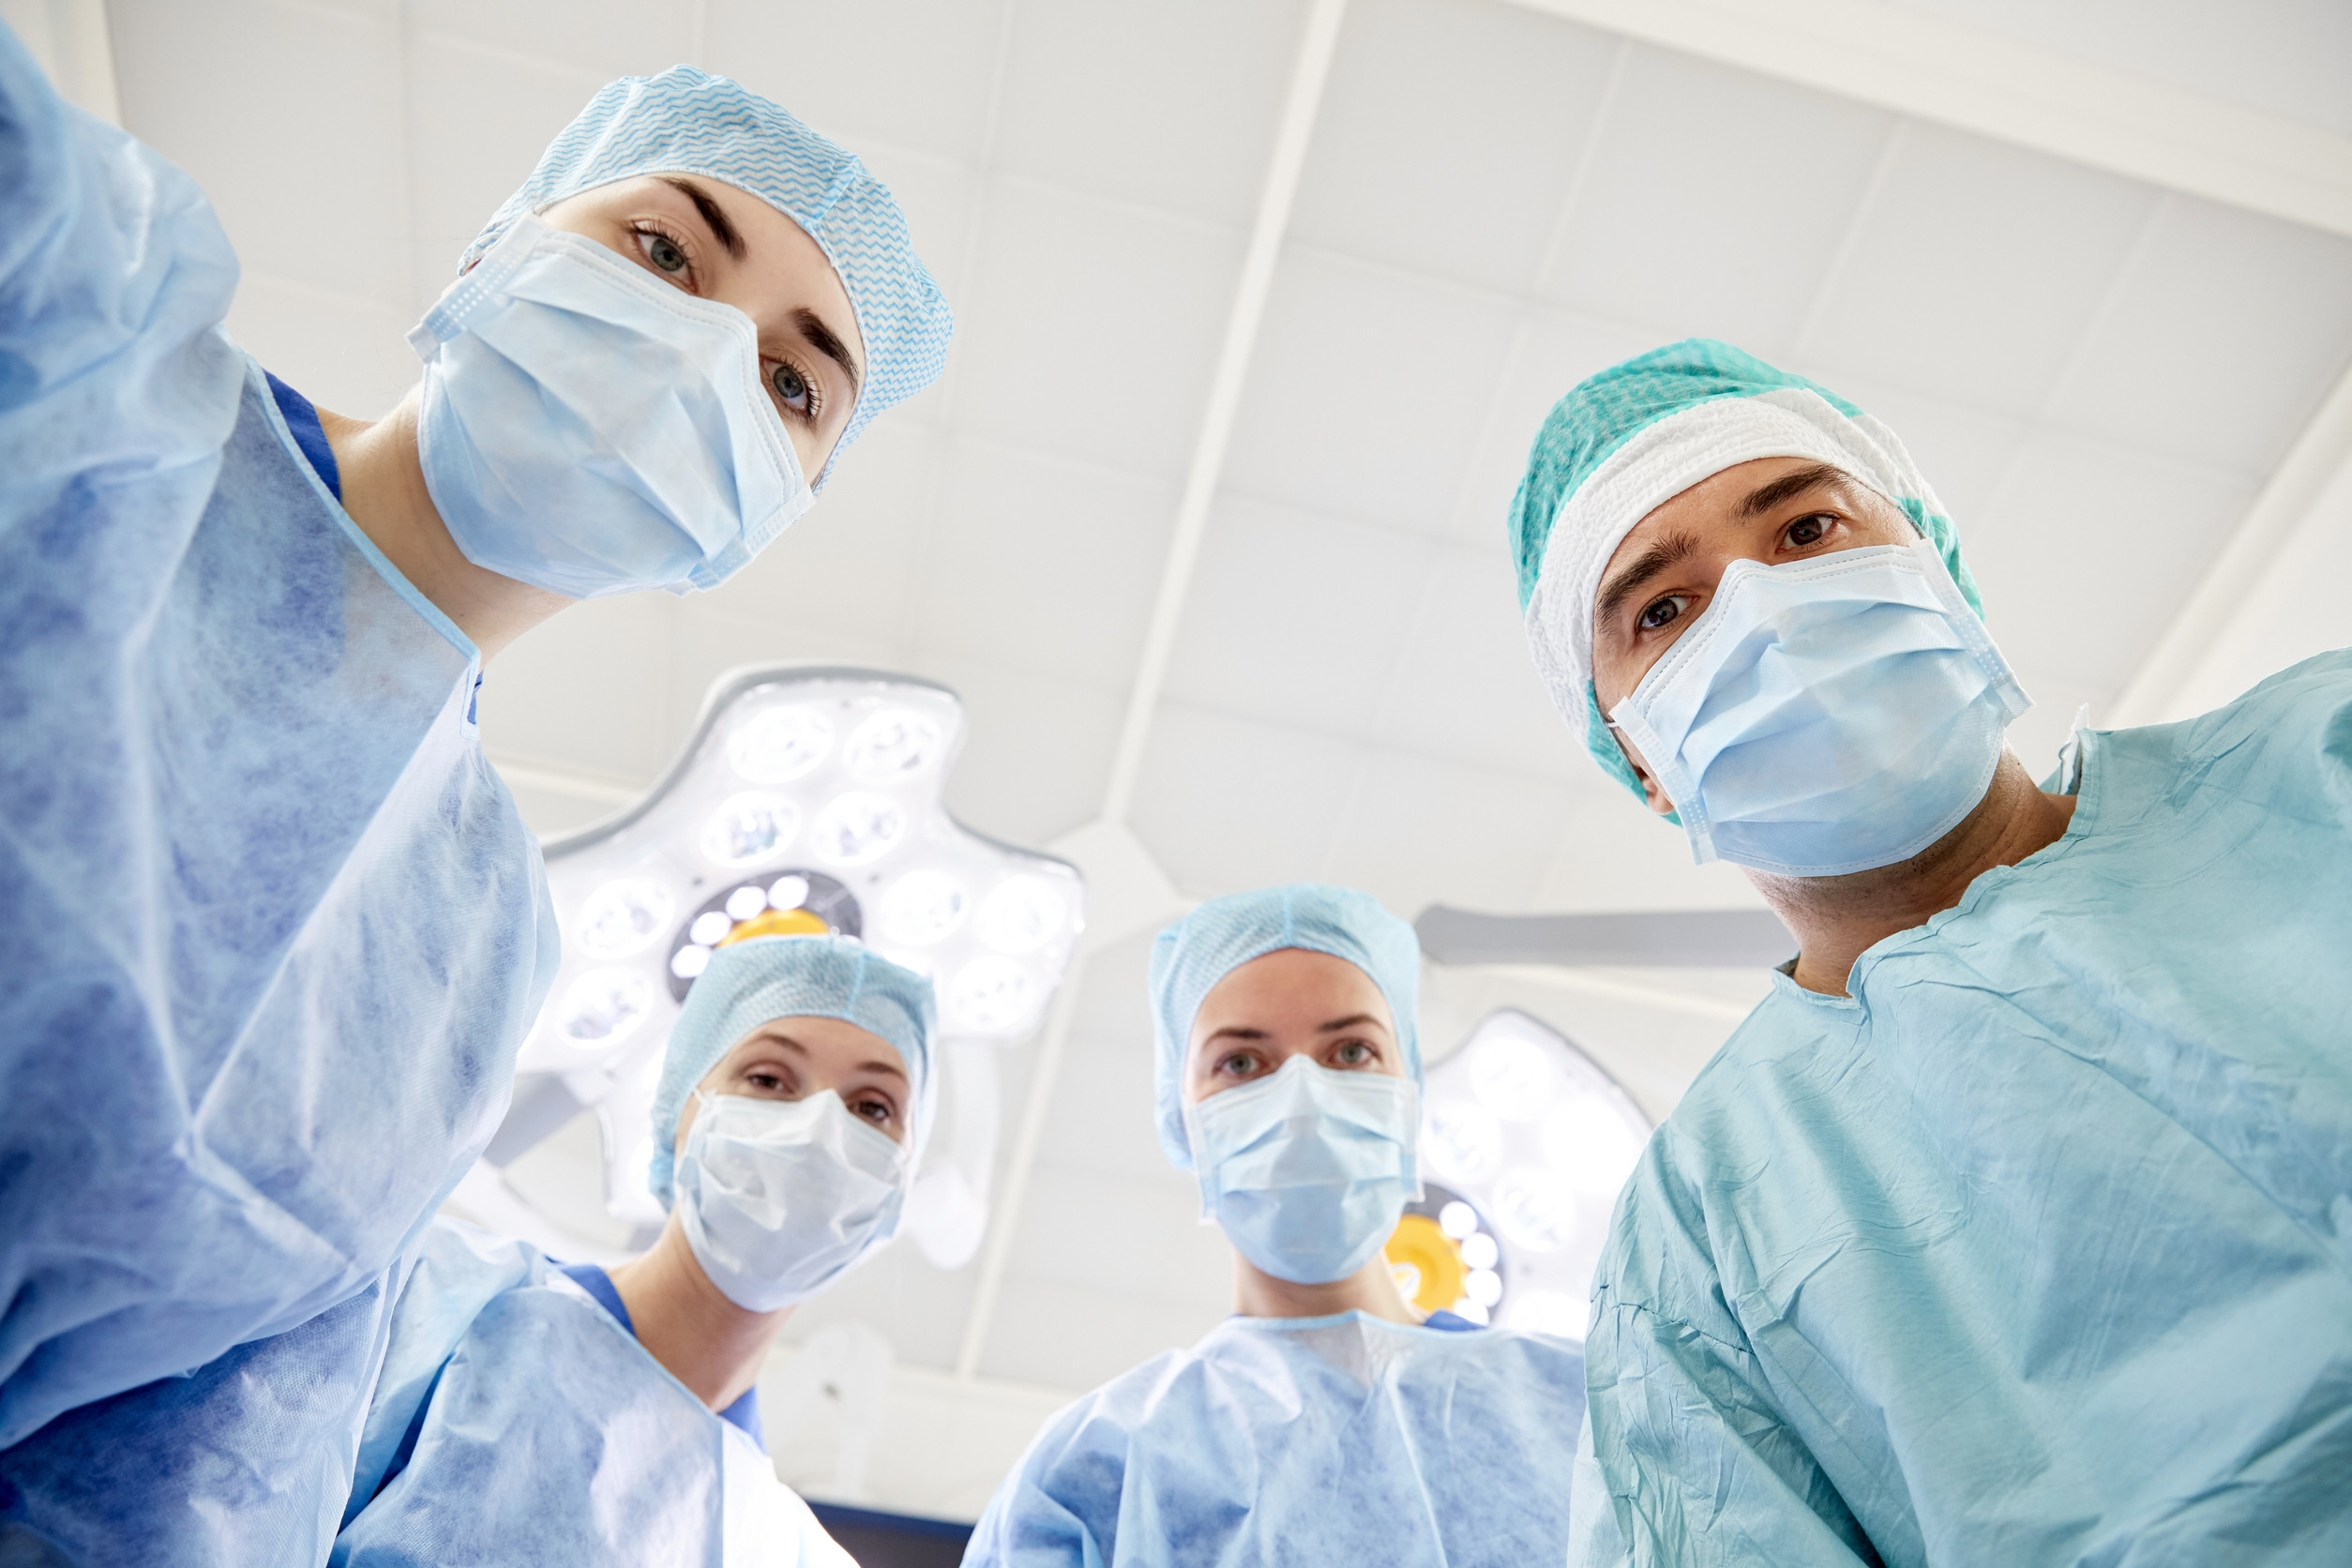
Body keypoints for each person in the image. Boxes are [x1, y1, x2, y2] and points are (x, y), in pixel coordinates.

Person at [0, 23, 946, 1556]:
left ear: (765, 519)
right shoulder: (85, 338)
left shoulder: (468, 955)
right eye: (659, 249)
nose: (704, 353)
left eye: (786, 382)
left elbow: (196, 1471)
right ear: (504, 242)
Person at [1507, 338, 2352, 1565]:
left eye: (1804, 533)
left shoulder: (2318, 766)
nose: (1762, 615)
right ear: (1639, 758)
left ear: (1937, 563)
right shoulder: (1697, 1258)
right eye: (1664, 608)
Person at [964, 885, 1587, 1567]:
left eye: (1350, 1052)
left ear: (1410, 1098)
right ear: (1184, 1125)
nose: (1302, 1100)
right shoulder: (1102, 1468)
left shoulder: (1580, 1404)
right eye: (1241, 1063)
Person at [325, 934, 931, 1564]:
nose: (820, 1133)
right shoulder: (433, 1304)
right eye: (769, 1078)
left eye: (872, 1106)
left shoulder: (788, 1552)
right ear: (680, 1111)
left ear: (902, 1184)